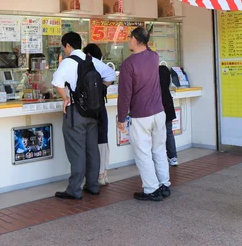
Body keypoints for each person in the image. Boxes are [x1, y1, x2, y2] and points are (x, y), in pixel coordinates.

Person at [52, 32, 116, 200]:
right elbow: (110, 75)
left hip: (76, 112)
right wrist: (96, 93)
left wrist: (66, 98)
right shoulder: (91, 61)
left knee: (76, 150)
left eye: (63, 47)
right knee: (92, 149)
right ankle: (93, 185)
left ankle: (74, 189)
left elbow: (57, 82)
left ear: (67, 46)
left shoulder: (68, 62)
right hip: (93, 112)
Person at [117, 27, 171, 202]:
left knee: (143, 153)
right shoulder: (154, 57)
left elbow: (125, 94)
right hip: (159, 112)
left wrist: (120, 118)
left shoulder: (128, 64)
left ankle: (151, 189)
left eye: (129, 38)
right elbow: (148, 51)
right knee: (159, 150)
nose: (128, 41)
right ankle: (164, 184)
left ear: (134, 39)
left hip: (141, 115)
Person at [84, 43, 111, 186]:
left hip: (91, 110)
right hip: (101, 108)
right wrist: (101, 87)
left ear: (88, 55)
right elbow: (111, 75)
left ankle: (98, 174)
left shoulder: (90, 65)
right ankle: (104, 174)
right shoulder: (100, 67)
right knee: (103, 140)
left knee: (93, 142)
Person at [159, 64, 178, 166]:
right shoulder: (167, 81)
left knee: (158, 134)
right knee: (169, 132)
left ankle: (160, 158)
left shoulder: (155, 84)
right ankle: (173, 157)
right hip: (169, 106)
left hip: (159, 109)